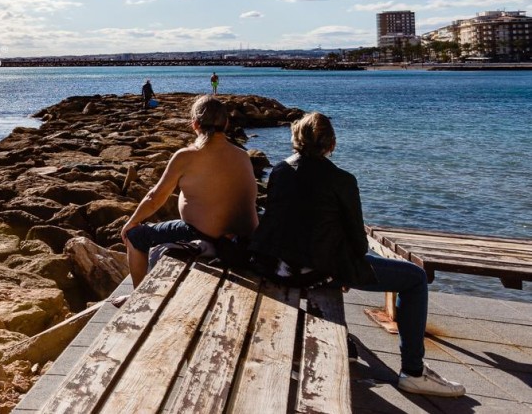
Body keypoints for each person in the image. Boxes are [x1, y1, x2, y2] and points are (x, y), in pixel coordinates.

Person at [251, 112, 465, 398]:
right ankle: (413, 371)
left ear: (296, 139)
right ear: (331, 144)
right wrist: (345, 271)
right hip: (318, 269)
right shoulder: (342, 180)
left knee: (358, 266)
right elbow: (357, 242)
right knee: (414, 278)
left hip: (278, 266)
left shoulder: (279, 171)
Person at [121, 96, 258, 286]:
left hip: (206, 237)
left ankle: (137, 295)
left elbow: (154, 198)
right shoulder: (242, 155)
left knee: (135, 237)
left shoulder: (186, 156)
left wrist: (130, 223)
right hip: (243, 238)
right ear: (226, 123)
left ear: (194, 124)